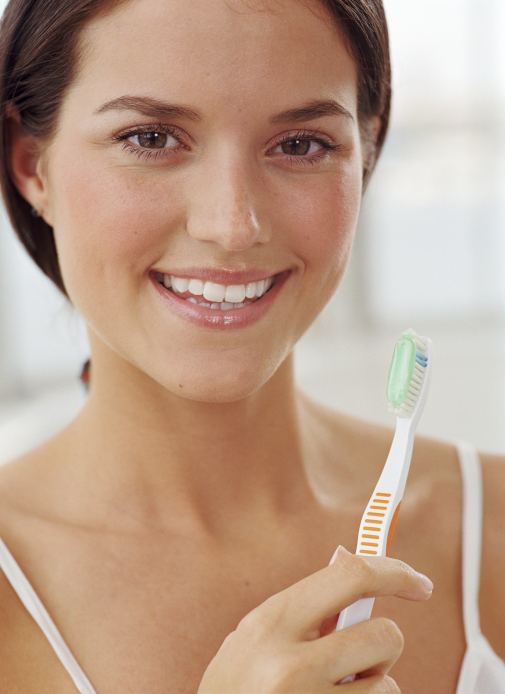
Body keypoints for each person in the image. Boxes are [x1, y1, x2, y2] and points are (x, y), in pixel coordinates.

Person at [0, 0, 503, 692]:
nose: (233, 225)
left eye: (300, 144)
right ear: (32, 167)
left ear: (364, 158)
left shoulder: (493, 525)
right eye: (150, 137)